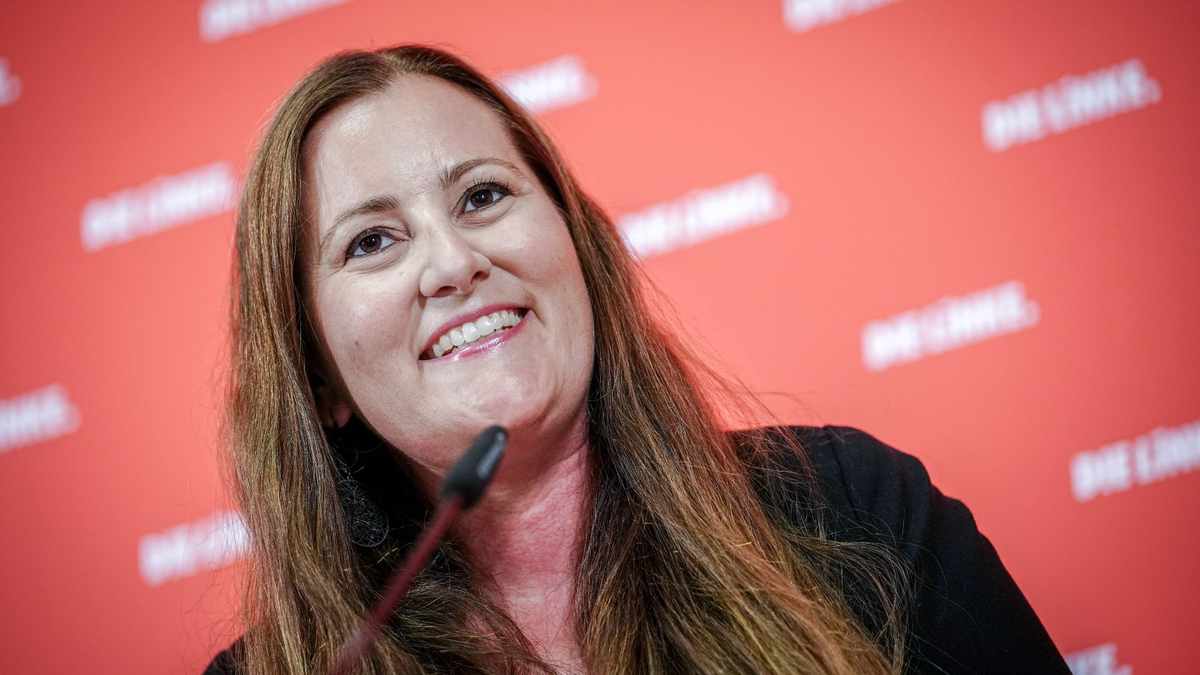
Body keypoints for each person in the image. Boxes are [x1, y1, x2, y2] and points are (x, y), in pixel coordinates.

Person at [207, 44, 1071, 675]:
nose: (452, 261)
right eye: (372, 241)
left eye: (482, 195)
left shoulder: (853, 506)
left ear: (576, 246)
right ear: (318, 377)